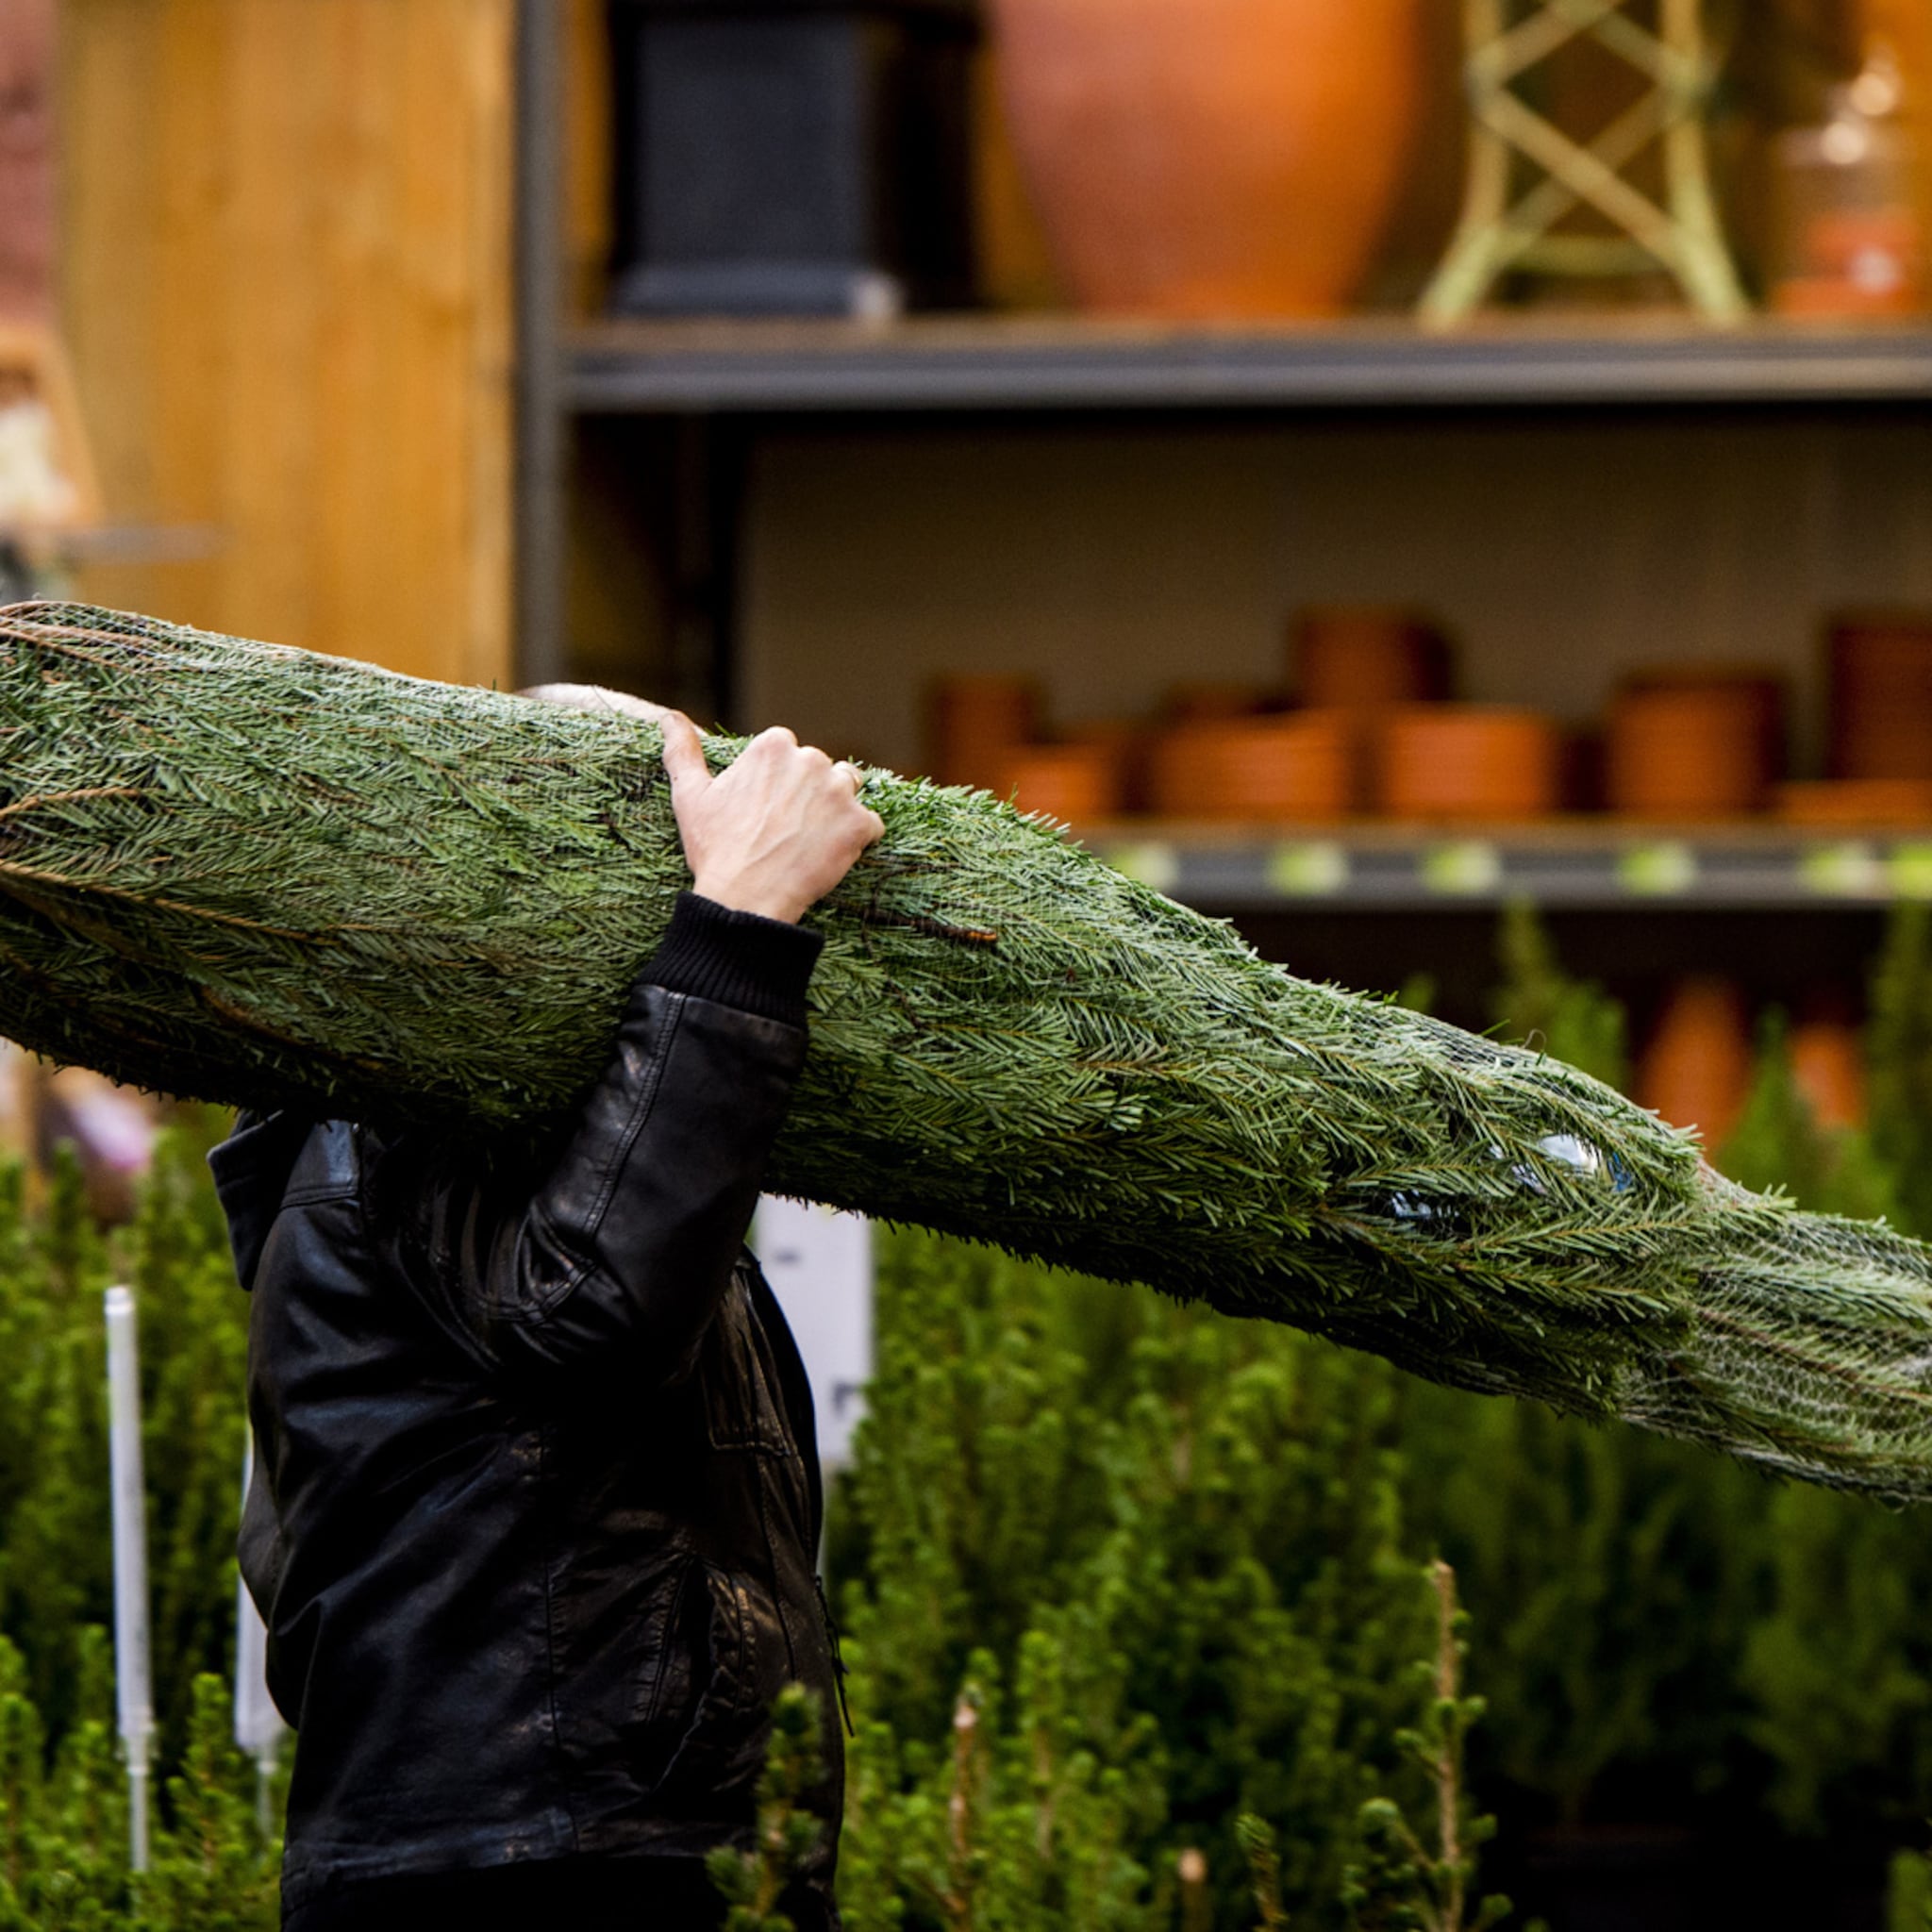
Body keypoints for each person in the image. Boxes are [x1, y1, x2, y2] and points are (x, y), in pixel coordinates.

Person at [209, 701, 886, 1932]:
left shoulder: (477, 1124)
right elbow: (592, 1318)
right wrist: (735, 933)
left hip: (573, 1847)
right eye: (675, 848)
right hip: (536, 1864)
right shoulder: (417, 1110)